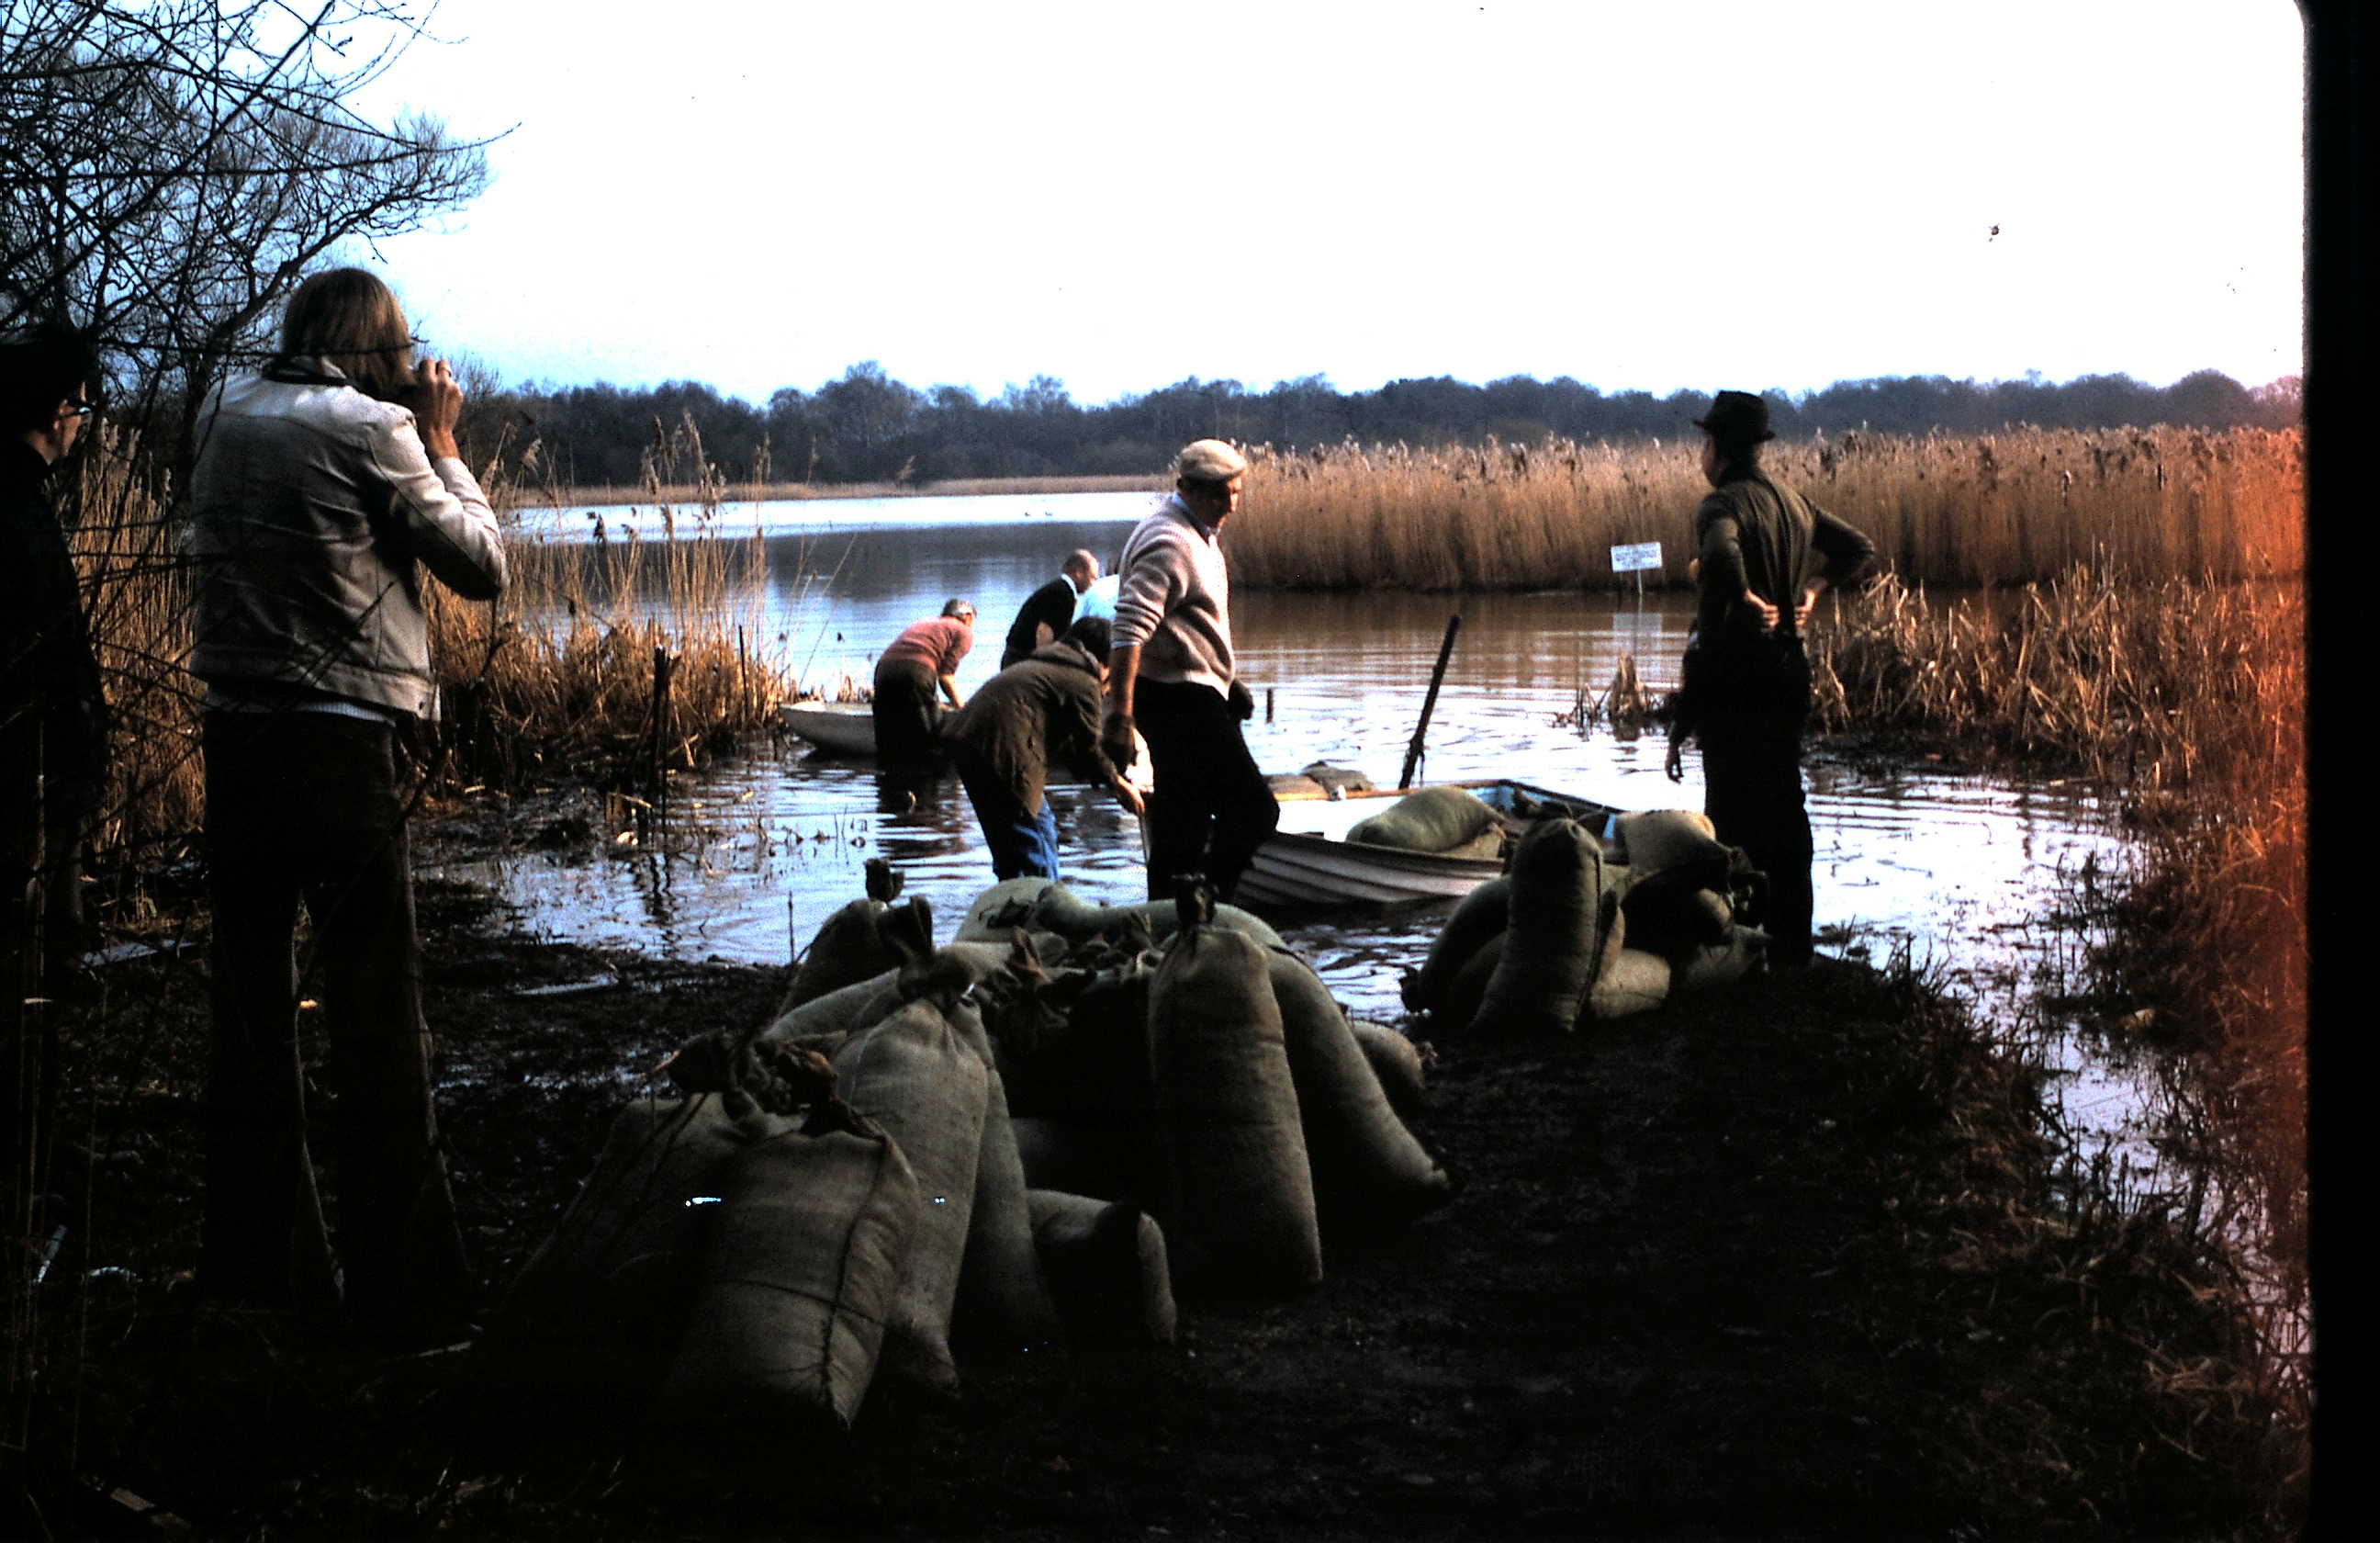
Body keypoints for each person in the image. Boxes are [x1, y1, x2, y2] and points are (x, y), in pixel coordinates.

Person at [187, 267, 507, 1335]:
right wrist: (447, 443)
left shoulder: (226, 411)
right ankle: (407, 1290)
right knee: (376, 1012)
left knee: (248, 1013)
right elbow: (482, 567)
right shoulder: (372, 427)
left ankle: (259, 1270)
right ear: (381, 347)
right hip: (337, 742)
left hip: (233, 735)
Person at [1664, 390, 1875, 967]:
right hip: (1789, 673)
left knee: (1730, 810)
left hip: (1735, 676)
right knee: (1784, 803)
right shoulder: (1794, 502)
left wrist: (1744, 597)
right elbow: (1858, 548)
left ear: (1718, 449)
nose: (1700, 453)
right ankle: (1794, 941)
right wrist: (1813, 588)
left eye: (1703, 442)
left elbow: (1722, 555)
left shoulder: (1720, 504)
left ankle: (1743, 943)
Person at [2, 322, 108, 1272]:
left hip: (39, 792)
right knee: (33, 984)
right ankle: (38, 1192)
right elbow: (47, 667)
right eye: (79, 404)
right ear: (55, 409)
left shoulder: (25, 502)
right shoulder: (20, 512)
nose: (83, 424)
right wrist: (62, 817)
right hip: (29, 800)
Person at [1101, 439, 1278, 903]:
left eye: (1236, 493)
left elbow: (1186, 626)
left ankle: (1167, 920)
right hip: (1179, 700)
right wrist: (1119, 718)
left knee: (1184, 821)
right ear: (1188, 489)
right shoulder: (1170, 541)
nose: (1231, 505)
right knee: (1255, 811)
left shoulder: (1195, 531)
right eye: (1221, 494)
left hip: (1189, 690)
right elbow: (1129, 630)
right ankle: (1206, 905)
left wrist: (1226, 680)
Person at [942, 615, 1144, 881]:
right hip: (1002, 751)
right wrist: (1119, 785)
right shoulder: (1083, 680)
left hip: (967, 743)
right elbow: (1089, 751)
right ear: (1105, 661)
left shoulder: (1047, 664)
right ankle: (1041, 905)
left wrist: (1110, 776)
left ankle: (1016, 897)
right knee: (1033, 844)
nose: (1107, 688)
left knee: (1027, 835)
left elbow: (1075, 753)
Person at [871, 598, 974, 773]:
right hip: (916, 671)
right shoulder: (963, 630)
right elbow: (945, 677)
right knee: (930, 743)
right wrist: (962, 710)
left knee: (886, 744)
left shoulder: (925, 622)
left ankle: (888, 793)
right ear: (968, 617)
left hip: (884, 670)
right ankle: (927, 793)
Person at [1000, 548, 1099, 669]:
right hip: (1021, 660)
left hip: (1015, 657)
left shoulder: (1059, 589)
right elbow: (1044, 632)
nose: (1093, 584)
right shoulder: (1062, 593)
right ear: (1078, 573)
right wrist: (1045, 668)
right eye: (1092, 577)